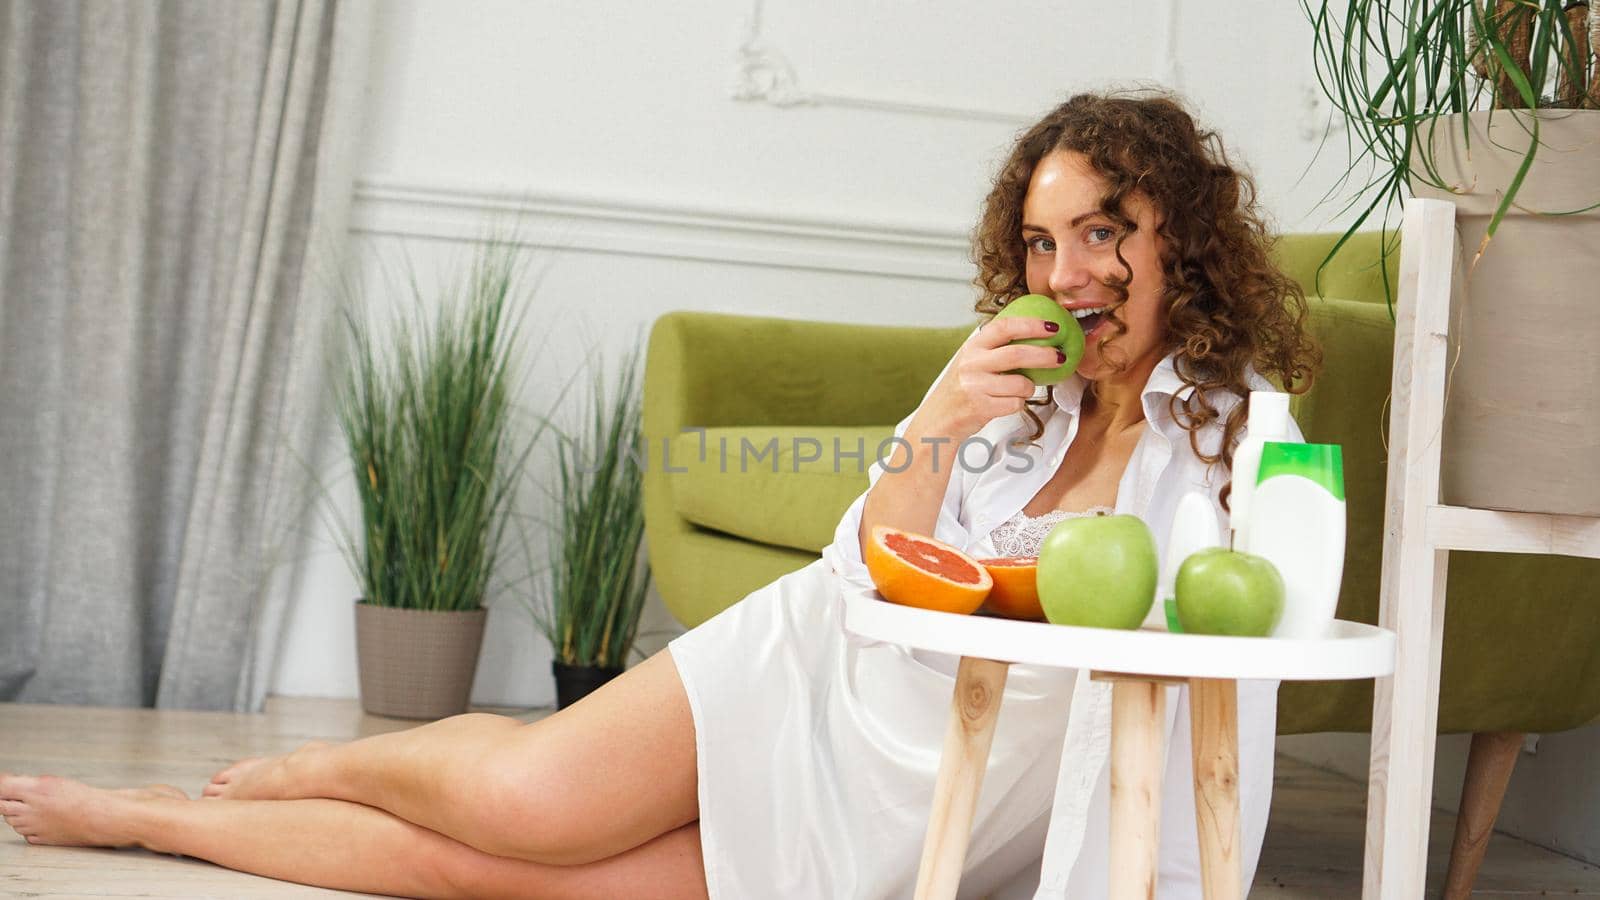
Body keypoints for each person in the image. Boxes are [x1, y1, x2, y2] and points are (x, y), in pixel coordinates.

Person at [0, 90, 1317, 899]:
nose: (1068, 269)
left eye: (1102, 230)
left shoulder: (1235, 439)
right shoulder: (1003, 394)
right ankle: (311, 769)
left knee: (484, 872)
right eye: (1042, 238)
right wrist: (938, 412)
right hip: (815, 685)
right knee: (522, 800)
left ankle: (162, 826)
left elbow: (1225, 684)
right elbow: (876, 565)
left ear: (1176, 238)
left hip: (901, 820)